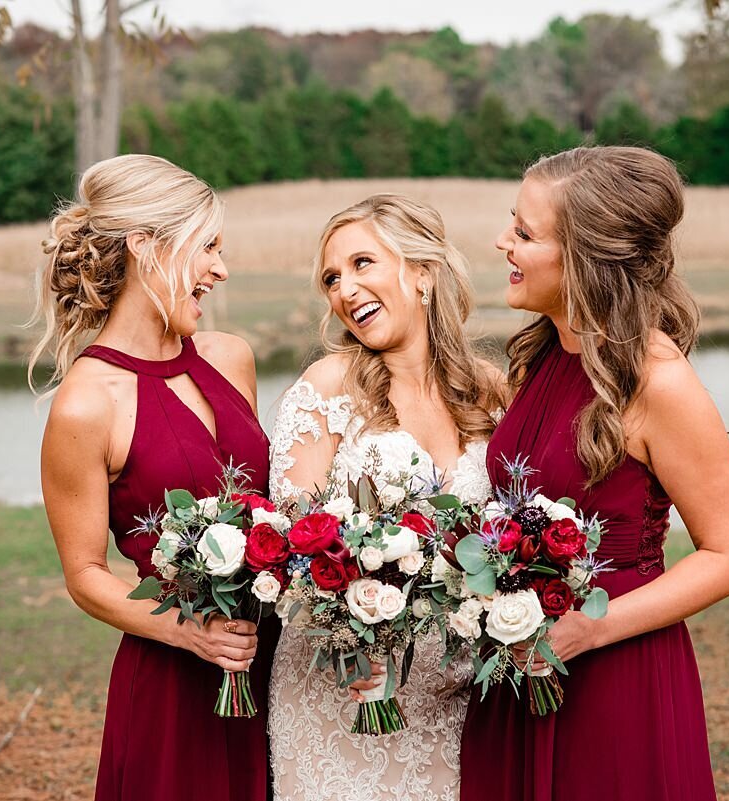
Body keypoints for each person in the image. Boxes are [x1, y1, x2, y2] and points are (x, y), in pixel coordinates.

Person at [458, 146, 729, 801]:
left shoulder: (659, 382)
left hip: (617, 670)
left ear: (585, 259)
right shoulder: (542, 357)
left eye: (525, 233)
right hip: (520, 664)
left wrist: (592, 628)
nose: (501, 241)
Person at [33, 154, 274, 801]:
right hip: (172, 683)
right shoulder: (87, 403)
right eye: (208, 247)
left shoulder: (232, 358)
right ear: (145, 246)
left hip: (270, 663)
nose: (220, 269)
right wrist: (188, 631)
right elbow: (85, 573)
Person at [267, 194, 505, 801]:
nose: (345, 289)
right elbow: (292, 556)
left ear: (421, 272)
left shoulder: (491, 391)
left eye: (363, 263)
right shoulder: (325, 390)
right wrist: (352, 641)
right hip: (345, 692)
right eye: (332, 277)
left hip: (458, 700)